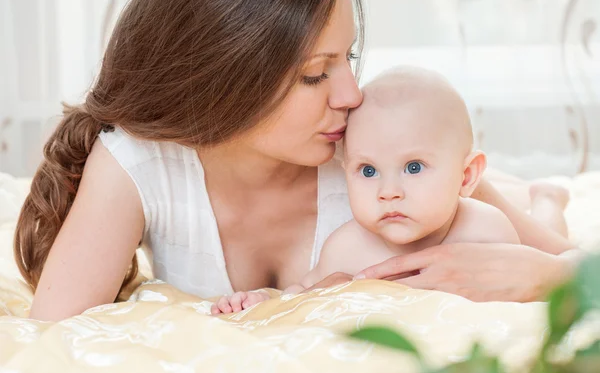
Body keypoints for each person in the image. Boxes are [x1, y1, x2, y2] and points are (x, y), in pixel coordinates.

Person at [13, 0, 580, 323]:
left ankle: (541, 195)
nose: (352, 94)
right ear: (222, 77)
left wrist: (542, 275)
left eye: (349, 59)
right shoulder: (140, 162)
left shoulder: (367, 152)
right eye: (316, 74)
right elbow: (53, 335)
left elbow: (572, 265)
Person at [210, 67, 569, 314]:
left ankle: (548, 199)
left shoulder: (488, 229)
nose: (388, 192)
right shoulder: (345, 249)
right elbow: (299, 296)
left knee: (548, 229)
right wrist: (259, 304)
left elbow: (526, 283)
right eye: (368, 171)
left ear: (465, 176)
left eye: (413, 168)